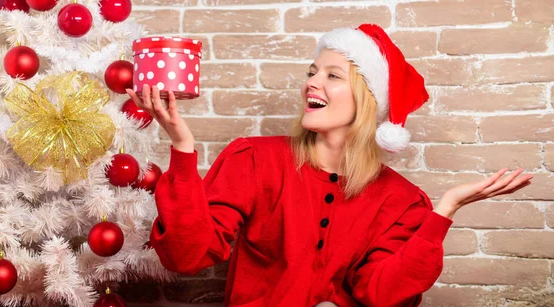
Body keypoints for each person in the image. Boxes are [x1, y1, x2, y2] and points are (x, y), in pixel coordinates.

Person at [126, 24, 532, 307]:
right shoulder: (254, 159)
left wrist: (445, 211)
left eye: (332, 75)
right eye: (312, 72)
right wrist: (182, 146)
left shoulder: (403, 202)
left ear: (366, 99)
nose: (311, 83)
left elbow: (381, 293)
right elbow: (188, 256)